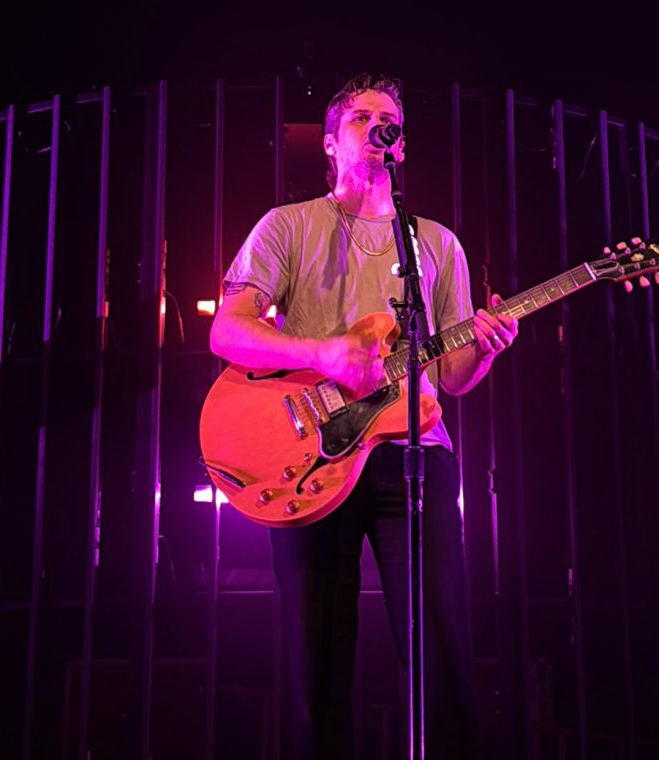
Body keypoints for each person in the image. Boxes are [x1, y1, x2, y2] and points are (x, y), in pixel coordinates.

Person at [209, 73, 516, 760]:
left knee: (442, 647)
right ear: (330, 143)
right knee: (317, 661)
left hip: (415, 455)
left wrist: (487, 349)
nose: (381, 127)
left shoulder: (435, 244)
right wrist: (325, 352)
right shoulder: (288, 226)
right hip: (313, 459)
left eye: (391, 120)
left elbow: (450, 377)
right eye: (363, 118)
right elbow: (226, 333)